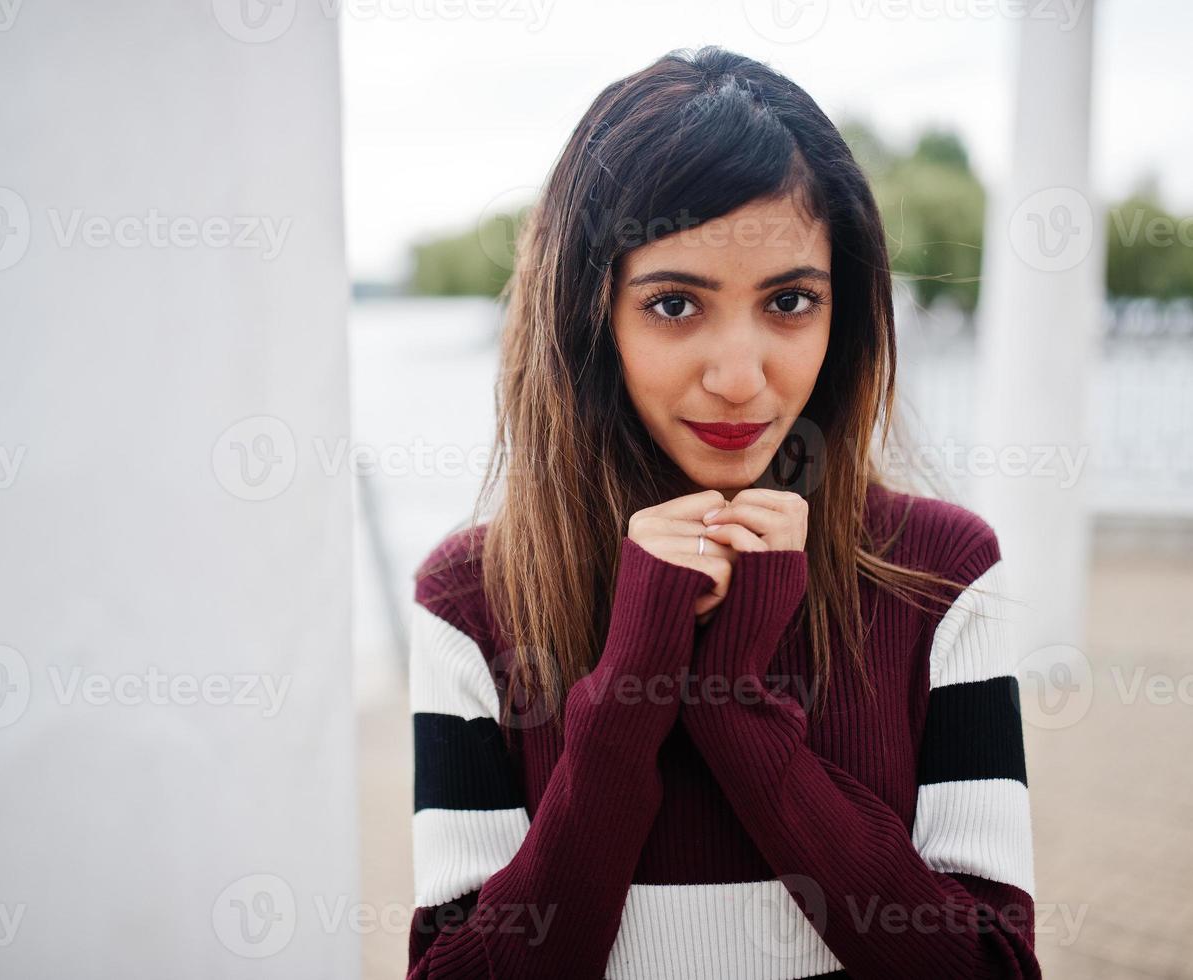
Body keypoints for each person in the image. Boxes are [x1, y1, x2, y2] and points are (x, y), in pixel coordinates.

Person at [405, 45, 1039, 979]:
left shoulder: (941, 576)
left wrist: (736, 705)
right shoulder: (470, 600)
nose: (739, 378)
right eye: (672, 304)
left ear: (844, 315)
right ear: (590, 320)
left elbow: (989, 968)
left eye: (789, 300)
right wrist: (628, 693)